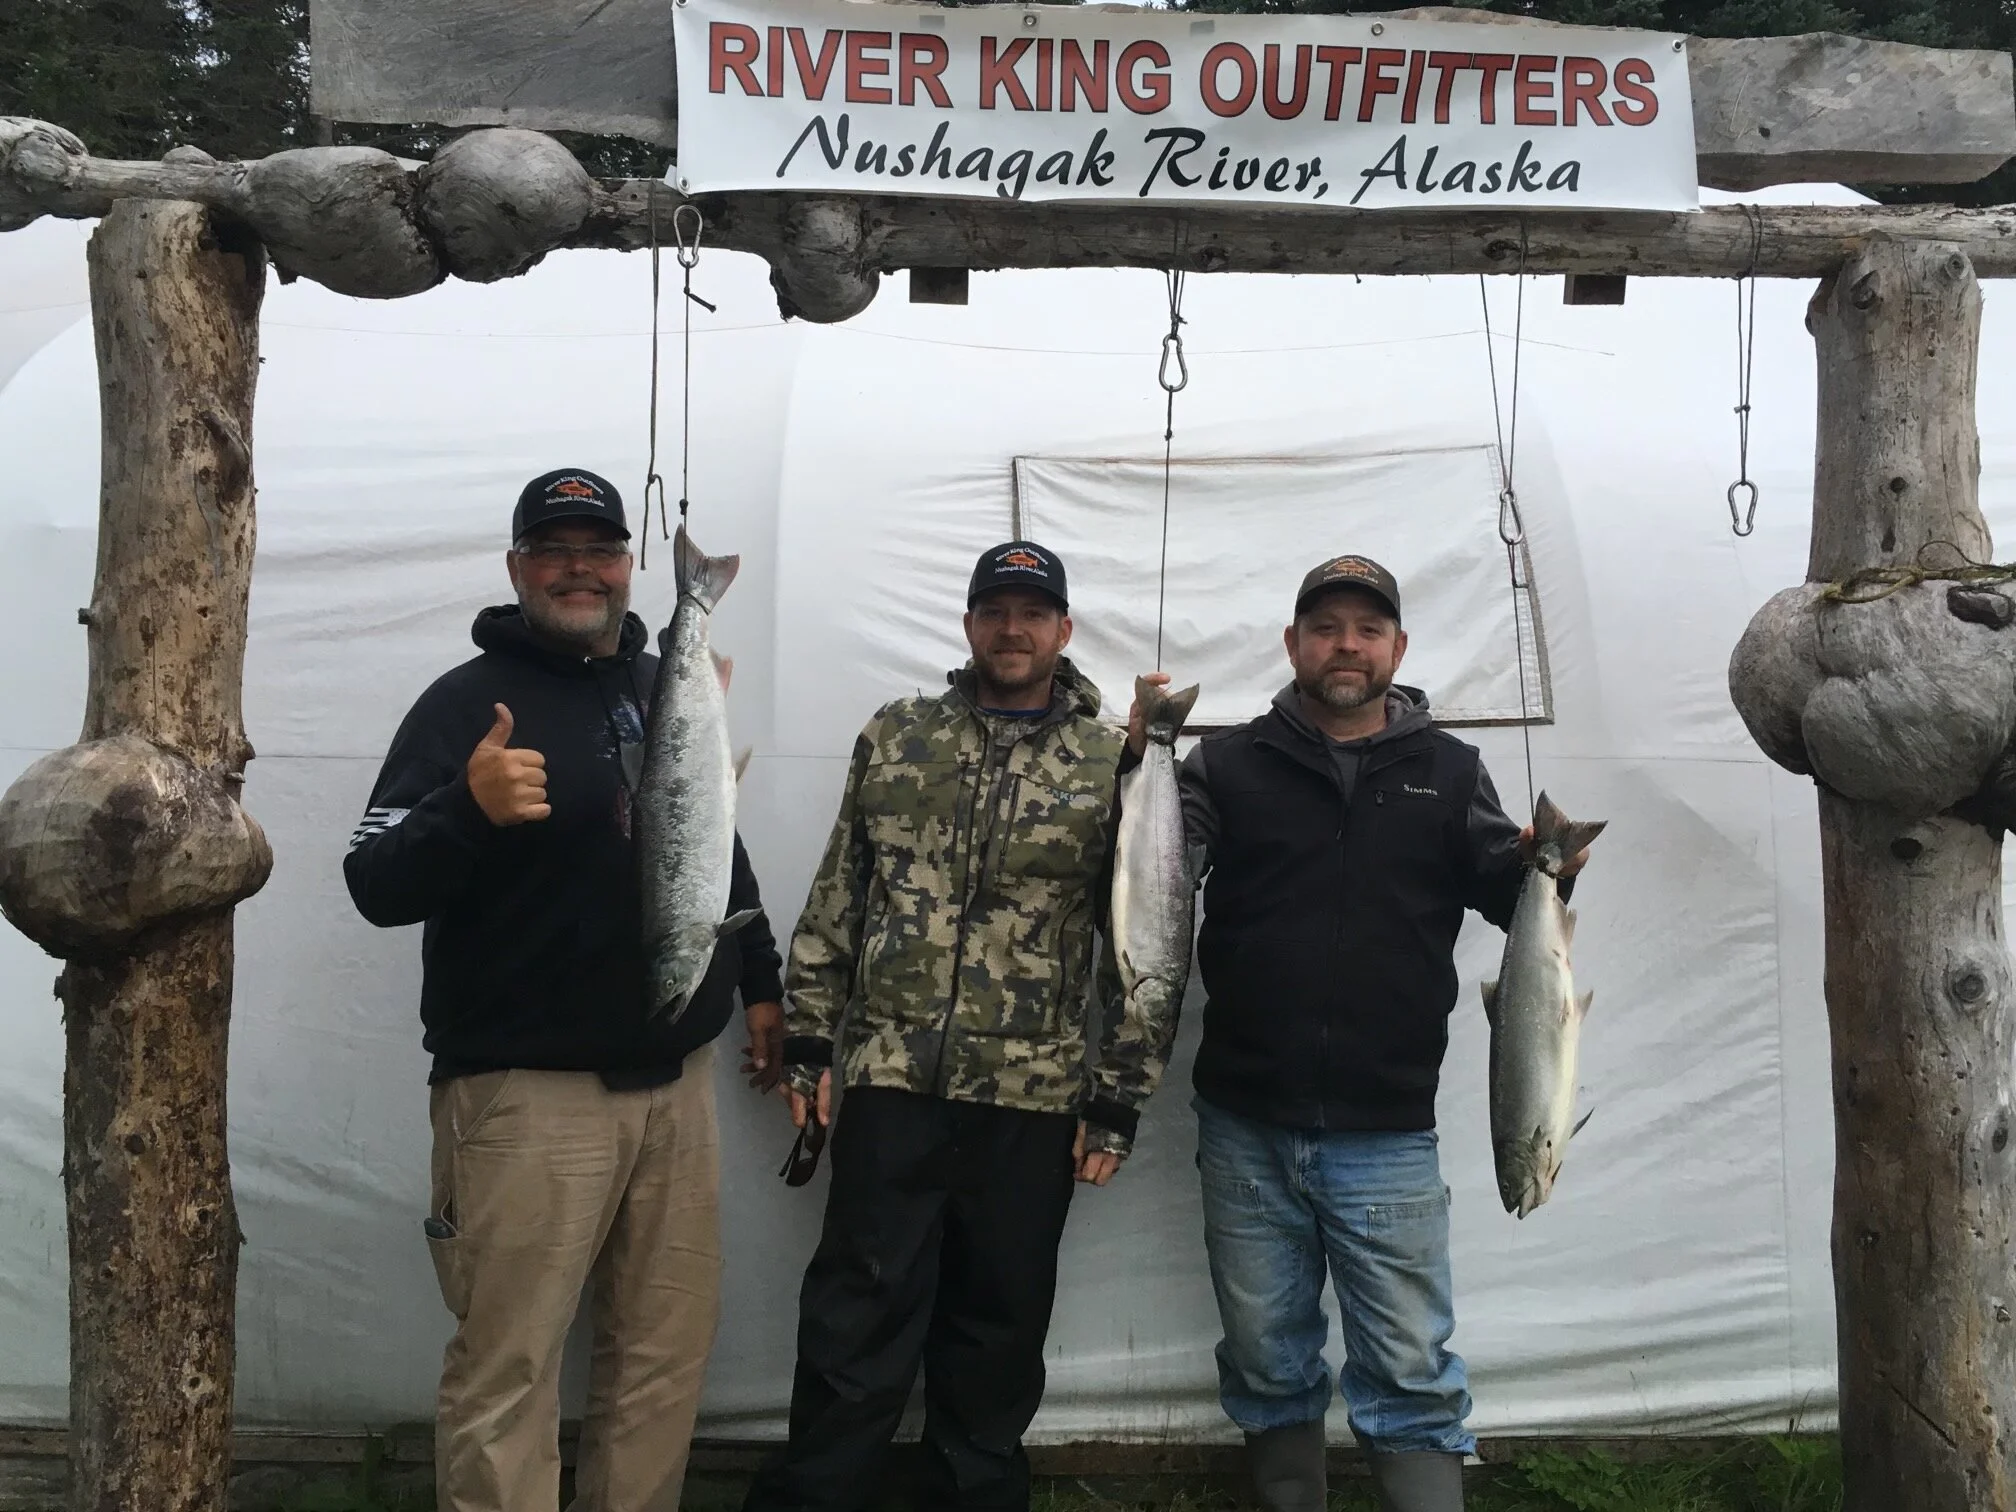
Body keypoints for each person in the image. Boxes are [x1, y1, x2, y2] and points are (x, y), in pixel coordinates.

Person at [343, 467, 785, 1512]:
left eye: (599, 547)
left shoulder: (659, 688)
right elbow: (371, 881)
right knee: (510, 1370)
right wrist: (466, 807)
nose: (579, 567)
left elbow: (710, 843)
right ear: (517, 568)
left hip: (676, 1088)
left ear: (629, 565)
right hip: (526, 1101)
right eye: (554, 548)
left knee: (662, 1359)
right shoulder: (462, 706)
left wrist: (761, 980)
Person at [1132, 555, 1591, 1512]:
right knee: (1265, 1350)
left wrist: (1547, 873)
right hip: (1244, 1119)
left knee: (1409, 1361)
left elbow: (1510, 900)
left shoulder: (1450, 770)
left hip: (1387, 1131)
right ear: (1294, 643)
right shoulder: (1227, 763)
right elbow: (1156, 877)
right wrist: (1142, 764)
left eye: (1367, 629)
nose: (1348, 645)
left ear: (1397, 649)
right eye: (1327, 627)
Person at [742, 542, 1180, 1512]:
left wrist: (1118, 1098)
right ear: (970, 622)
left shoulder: (1116, 762)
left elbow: (1147, 939)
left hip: (1031, 1102)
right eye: (995, 610)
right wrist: (810, 1042)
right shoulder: (900, 735)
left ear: (1064, 630)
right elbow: (840, 896)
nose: (1012, 629)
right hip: (892, 1083)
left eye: (1033, 612)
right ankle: (819, 1499)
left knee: (996, 1334)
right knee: (856, 1322)